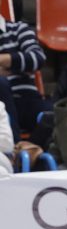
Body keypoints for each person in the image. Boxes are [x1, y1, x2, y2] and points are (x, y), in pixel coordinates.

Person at [0, 9, 47, 138]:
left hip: (25, 98)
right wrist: (17, 65)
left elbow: (37, 59)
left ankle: (29, 148)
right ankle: (14, 146)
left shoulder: (18, 29)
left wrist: (2, 59)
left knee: (56, 117)